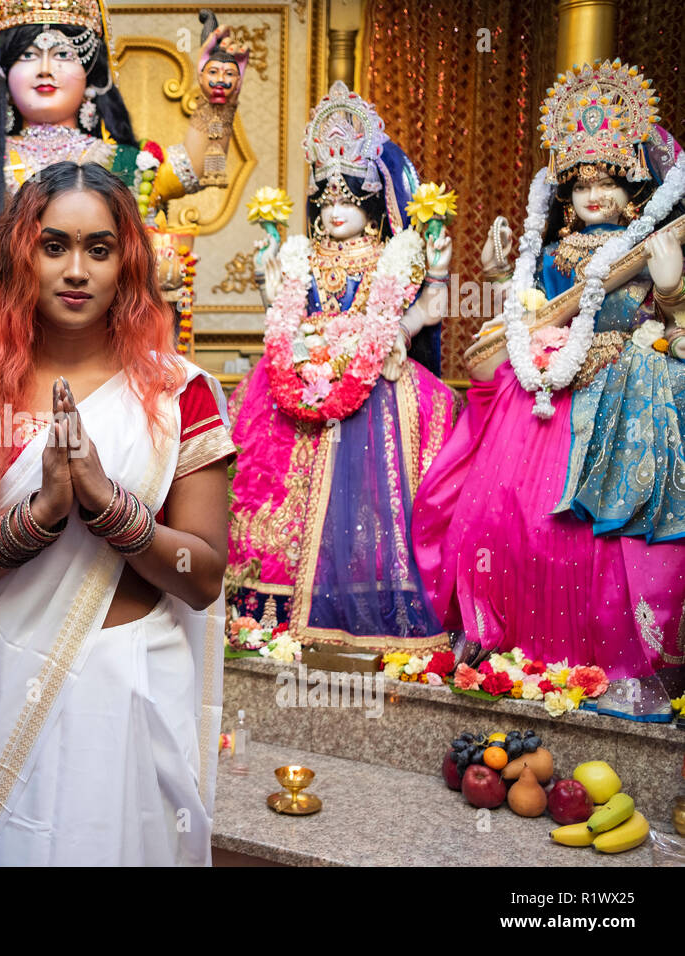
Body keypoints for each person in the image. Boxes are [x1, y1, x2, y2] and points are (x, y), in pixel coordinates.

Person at [0, 161, 235, 866]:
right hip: (11, 679)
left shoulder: (183, 395)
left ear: (128, 263)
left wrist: (108, 504)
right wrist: (43, 514)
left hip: (134, 683)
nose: (76, 269)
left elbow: (202, 576)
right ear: (21, 255)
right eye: (54, 246)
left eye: (99, 248)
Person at [413, 60, 685, 719]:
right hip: (540, 387)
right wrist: (502, 274)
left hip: (626, 386)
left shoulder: (653, 242)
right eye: (582, 183)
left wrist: (670, 283)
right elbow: (530, 307)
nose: (593, 195)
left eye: (608, 181)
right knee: (499, 516)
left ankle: (607, 664)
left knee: (590, 537)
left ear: (634, 188)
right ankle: (512, 649)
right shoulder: (556, 249)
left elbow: (675, 319)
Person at [0, 0, 248, 346]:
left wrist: (218, 96)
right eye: (26, 55)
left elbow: (196, 168)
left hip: (106, 351)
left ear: (92, 75)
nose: (44, 69)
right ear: (4, 74)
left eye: (63, 55)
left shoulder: (128, 165)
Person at [225, 81, 455, 651]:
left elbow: (429, 309)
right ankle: (266, 613)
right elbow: (283, 317)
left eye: (348, 198)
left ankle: (359, 607)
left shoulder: (394, 255)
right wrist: (267, 283)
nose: (334, 211)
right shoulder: (302, 254)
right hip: (295, 381)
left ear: (375, 203)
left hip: (375, 386)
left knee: (366, 509)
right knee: (276, 495)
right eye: (325, 200)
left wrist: (438, 275)